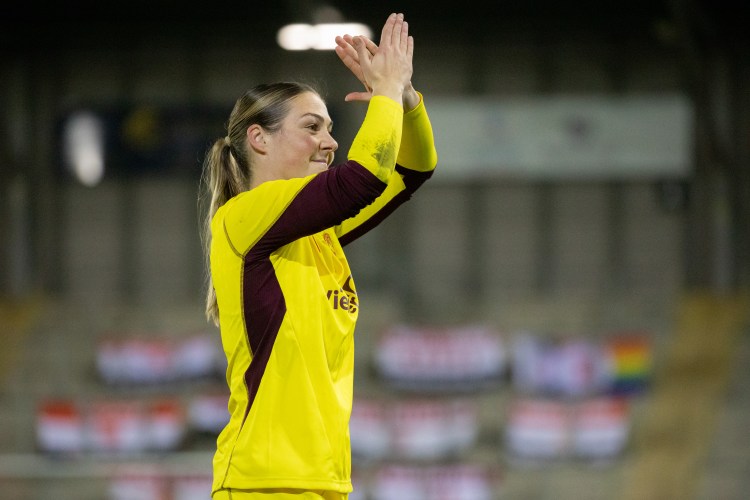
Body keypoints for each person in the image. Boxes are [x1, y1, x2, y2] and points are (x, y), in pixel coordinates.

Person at [199, 12, 437, 500]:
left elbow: (413, 170)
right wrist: (385, 91)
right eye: (312, 127)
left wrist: (407, 100)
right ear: (259, 138)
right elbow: (363, 179)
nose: (330, 143)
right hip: (263, 485)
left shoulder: (316, 234)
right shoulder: (242, 218)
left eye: (330, 128)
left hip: (324, 484)